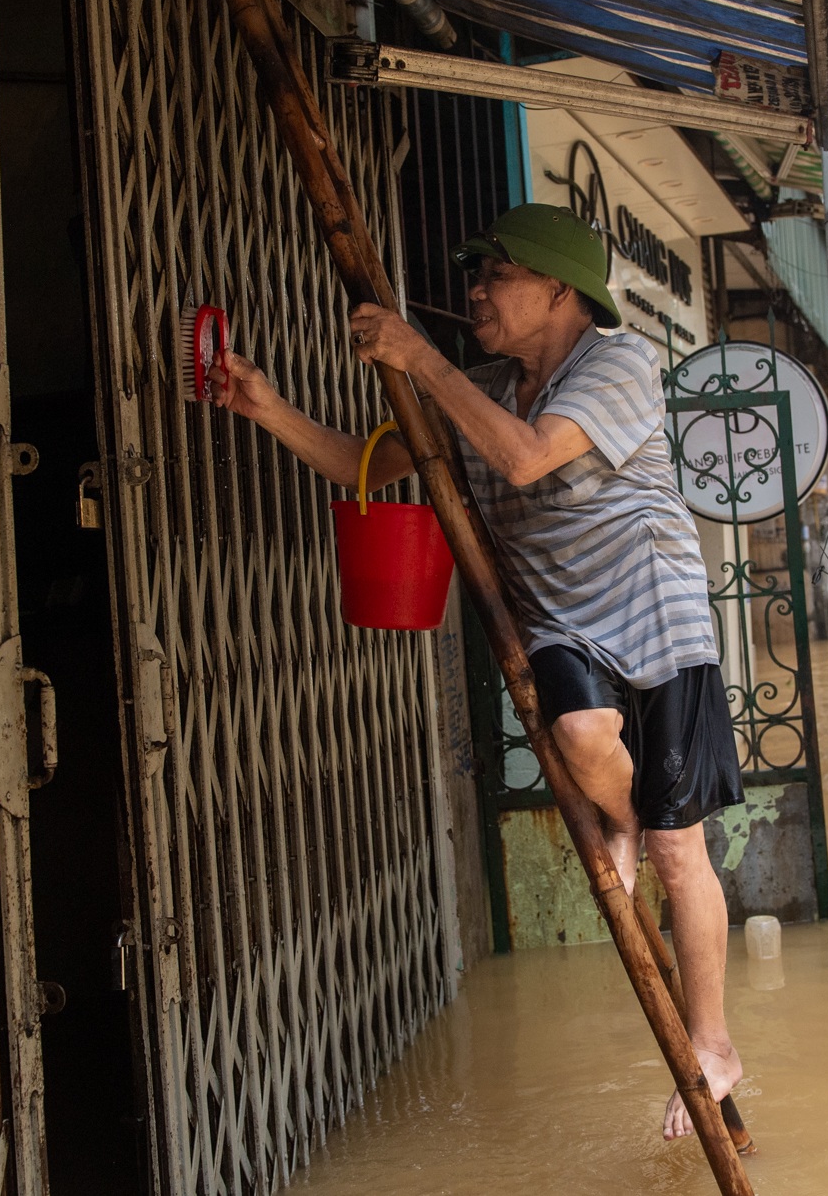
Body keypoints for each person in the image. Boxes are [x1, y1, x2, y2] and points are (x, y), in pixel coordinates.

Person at [209, 204, 743, 1141]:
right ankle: (624, 814)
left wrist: (419, 357)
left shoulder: (618, 366)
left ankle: (715, 1043)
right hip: (564, 628)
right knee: (581, 737)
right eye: (479, 274)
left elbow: (526, 456)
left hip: (661, 624)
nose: (478, 290)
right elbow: (370, 462)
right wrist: (266, 407)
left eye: (496, 274)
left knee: (678, 854)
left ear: (557, 290)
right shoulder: (489, 384)